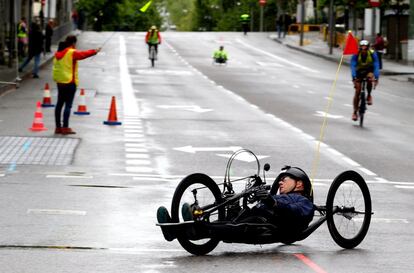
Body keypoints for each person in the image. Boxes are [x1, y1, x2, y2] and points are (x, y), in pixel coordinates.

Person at [52, 35, 100, 135]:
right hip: (70, 82)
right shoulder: (71, 52)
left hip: (60, 82)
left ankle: (58, 127)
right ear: (73, 43)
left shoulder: (58, 53)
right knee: (68, 106)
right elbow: (83, 54)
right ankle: (65, 127)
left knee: (59, 104)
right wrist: (94, 51)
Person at [350, 40, 380, 121]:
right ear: (360, 47)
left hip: (369, 70)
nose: (363, 49)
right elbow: (352, 65)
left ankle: (369, 95)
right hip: (359, 71)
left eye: (365, 47)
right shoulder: (356, 53)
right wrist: (354, 77)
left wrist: (376, 77)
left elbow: (376, 65)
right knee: (357, 91)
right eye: (362, 47)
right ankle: (355, 112)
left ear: (367, 47)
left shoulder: (372, 53)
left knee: (370, 79)